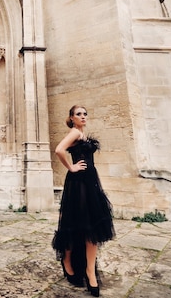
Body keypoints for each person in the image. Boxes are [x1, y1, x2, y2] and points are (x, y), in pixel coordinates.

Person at [51, 105, 115, 297]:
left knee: (92, 228)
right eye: (79, 114)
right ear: (71, 118)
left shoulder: (81, 133)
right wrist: (71, 167)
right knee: (77, 225)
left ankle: (89, 271)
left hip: (90, 181)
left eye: (85, 113)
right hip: (78, 184)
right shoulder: (74, 133)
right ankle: (68, 261)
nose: (83, 116)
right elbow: (59, 150)